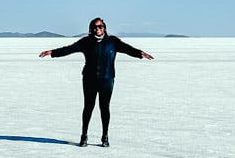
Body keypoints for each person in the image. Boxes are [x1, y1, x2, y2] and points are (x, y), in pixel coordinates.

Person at [40, 17, 154, 147]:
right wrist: (52, 52)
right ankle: (84, 136)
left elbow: (128, 49)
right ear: (91, 29)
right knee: (88, 107)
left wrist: (140, 53)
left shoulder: (112, 41)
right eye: (95, 27)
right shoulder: (86, 42)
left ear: (104, 28)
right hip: (89, 79)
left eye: (100, 26)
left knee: (104, 108)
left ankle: (105, 137)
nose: (97, 29)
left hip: (107, 79)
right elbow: (69, 49)